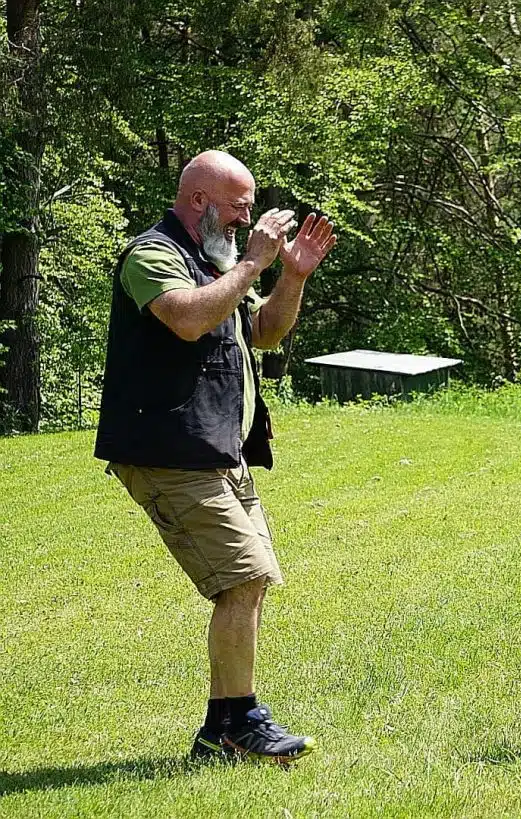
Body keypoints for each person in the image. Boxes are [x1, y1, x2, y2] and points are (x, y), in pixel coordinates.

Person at [94, 150, 336, 763]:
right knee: (243, 578)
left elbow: (263, 334)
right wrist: (255, 261)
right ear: (198, 200)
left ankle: (226, 728)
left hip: (220, 453)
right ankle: (238, 723)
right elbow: (187, 320)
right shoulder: (152, 256)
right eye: (238, 206)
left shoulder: (217, 261)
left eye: (249, 208)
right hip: (170, 452)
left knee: (248, 585)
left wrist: (292, 276)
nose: (247, 218)